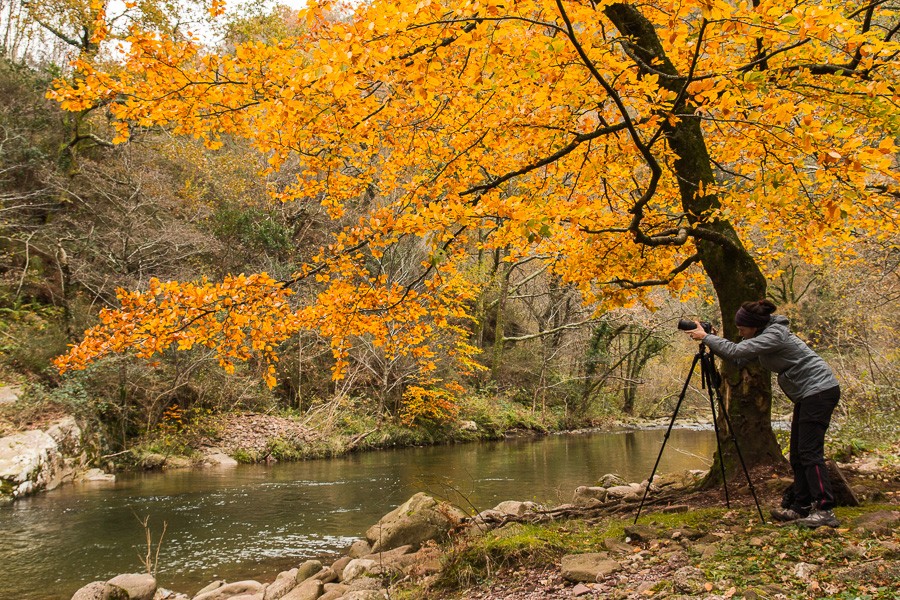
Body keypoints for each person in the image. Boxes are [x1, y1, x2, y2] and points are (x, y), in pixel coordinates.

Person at [685, 299, 841, 528]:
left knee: (810, 452)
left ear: (754, 326)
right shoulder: (762, 336)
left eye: (741, 329)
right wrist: (713, 341)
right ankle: (801, 507)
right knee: (798, 454)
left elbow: (736, 350)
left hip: (819, 392)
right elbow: (738, 358)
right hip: (809, 394)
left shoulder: (774, 335)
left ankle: (825, 510)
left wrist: (706, 337)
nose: (739, 332)